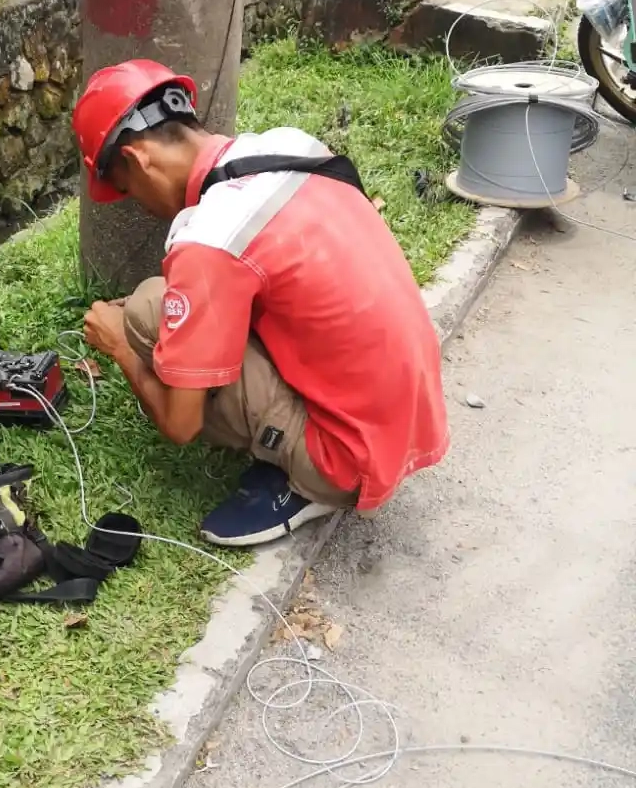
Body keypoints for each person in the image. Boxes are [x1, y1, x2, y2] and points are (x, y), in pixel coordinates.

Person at [72, 60, 449, 548]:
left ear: (138, 159)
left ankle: (308, 480)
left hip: (350, 458)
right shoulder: (290, 147)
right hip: (409, 412)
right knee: (166, 306)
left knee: (146, 313)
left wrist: (120, 346)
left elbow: (179, 427)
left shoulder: (209, 239)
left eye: (126, 190)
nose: (138, 205)